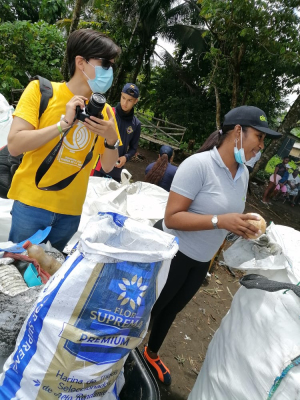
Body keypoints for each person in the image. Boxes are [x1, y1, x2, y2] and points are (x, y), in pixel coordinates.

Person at [143, 105, 282, 386]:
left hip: (201, 260)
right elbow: (172, 217)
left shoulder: (242, 174)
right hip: (174, 253)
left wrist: (240, 230)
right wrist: (221, 221)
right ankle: (120, 353)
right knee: (150, 309)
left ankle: (151, 352)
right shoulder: (199, 165)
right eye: (260, 136)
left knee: (173, 309)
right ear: (238, 132)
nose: (261, 146)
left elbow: (227, 219)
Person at [7, 29, 122, 252]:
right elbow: (15, 144)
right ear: (81, 62)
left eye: (112, 65)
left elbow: (108, 166)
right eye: (106, 64)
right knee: (17, 273)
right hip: (31, 204)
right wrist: (62, 126)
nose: (110, 71)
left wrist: (111, 138)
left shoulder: (106, 112)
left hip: (70, 213)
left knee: (49, 273)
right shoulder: (41, 91)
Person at [93, 83, 141, 182]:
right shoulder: (108, 113)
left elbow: (133, 148)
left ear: (135, 101)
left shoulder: (136, 124)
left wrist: (126, 157)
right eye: (123, 97)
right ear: (121, 95)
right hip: (98, 166)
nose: (125, 102)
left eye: (129, 100)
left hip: (117, 170)